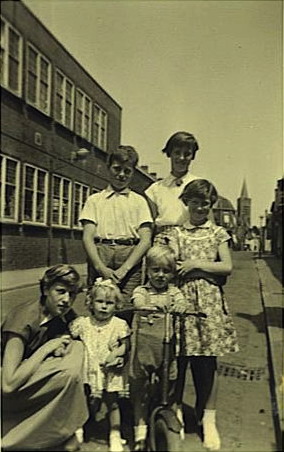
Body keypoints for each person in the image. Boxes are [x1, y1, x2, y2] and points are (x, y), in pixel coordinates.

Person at [166, 179, 239, 451]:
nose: (199, 208)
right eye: (194, 202)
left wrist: (196, 265)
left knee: (207, 363)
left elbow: (227, 266)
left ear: (212, 205)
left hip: (208, 305)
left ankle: (208, 418)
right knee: (178, 360)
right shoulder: (175, 234)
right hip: (181, 301)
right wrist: (203, 270)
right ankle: (175, 413)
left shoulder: (218, 233)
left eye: (205, 203)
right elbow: (172, 265)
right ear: (186, 202)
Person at [1, 264, 89, 452]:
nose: (67, 300)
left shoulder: (62, 314)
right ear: (45, 289)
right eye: (61, 291)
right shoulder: (23, 320)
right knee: (68, 371)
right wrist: (47, 348)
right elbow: (8, 384)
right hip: (7, 387)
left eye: (72, 294)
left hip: (27, 377)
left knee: (77, 349)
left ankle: (62, 429)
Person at [129, 245, 187, 451]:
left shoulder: (174, 292)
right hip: (144, 350)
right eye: (156, 270)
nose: (161, 275)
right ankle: (140, 430)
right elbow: (137, 301)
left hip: (166, 350)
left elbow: (183, 302)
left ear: (172, 273)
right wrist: (144, 305)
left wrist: (181, 306)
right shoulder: (142, 291)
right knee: (140, 391)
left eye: (166, 271)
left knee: (169, 385)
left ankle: (168, 418)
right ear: (148, 270)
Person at [79, 145, 153, 308]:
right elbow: (87, 237)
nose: (121, 175)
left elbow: (146, 240)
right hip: (101, 254)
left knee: (124, 309)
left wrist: (124, 269)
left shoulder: (139, 201)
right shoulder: (94, 200)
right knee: (98, 308)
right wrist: (100, 267)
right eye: (117, 169)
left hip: (130, 258)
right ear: (108, 168)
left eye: (127, 171)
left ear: (133, 172)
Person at [69, 278, 131, 452]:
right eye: (100, 302)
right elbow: (71, 338)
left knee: (112, 402)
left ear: (116, 304)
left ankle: (115, 433)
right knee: (85, 399)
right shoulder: (84, 324)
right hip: (89, 369)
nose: (104, 306)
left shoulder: (119, 325)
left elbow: (126, 345)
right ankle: (80, 428)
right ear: (91, 302)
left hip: (109, 369)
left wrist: (117, 353)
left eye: (109, 303)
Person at [145, 131, 201, 245]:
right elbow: (150, 227)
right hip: (162, 242)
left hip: (192, 241)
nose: (181, 158)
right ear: (169, 154)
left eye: (187, 154)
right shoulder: (155, 189)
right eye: (177, 152)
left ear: (193, 156)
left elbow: (209, 222)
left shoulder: (199, 185)